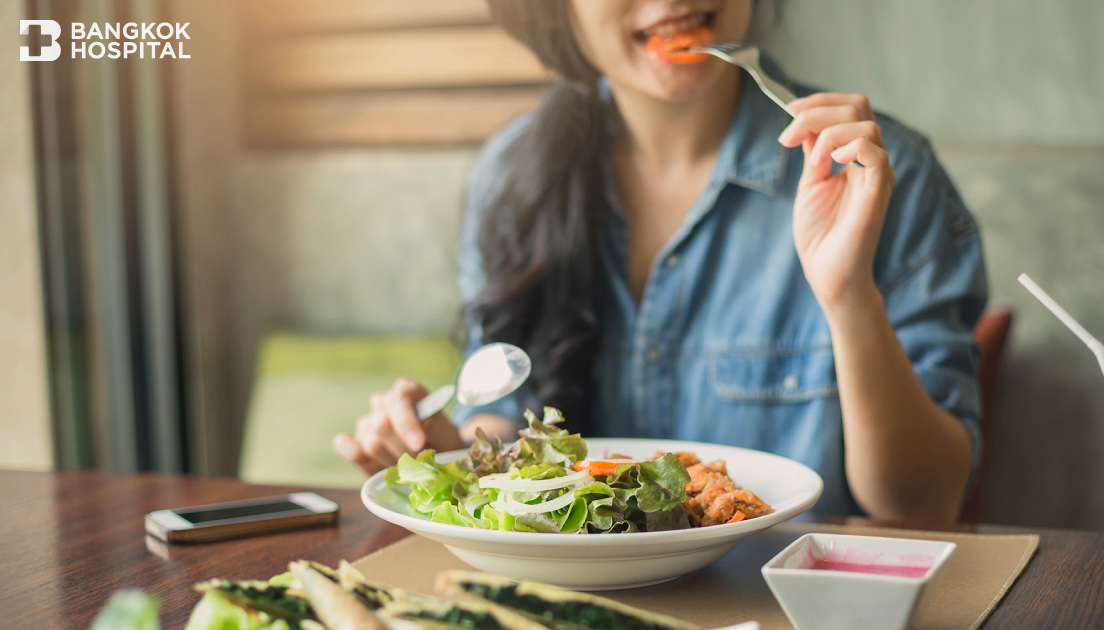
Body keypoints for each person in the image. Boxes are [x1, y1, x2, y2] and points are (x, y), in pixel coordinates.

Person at [334, 0, 987, 524]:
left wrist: (850, 299)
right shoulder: (513, 176)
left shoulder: (871, 172)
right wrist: (443, 448)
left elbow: (924, 504)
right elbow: (508, 423)